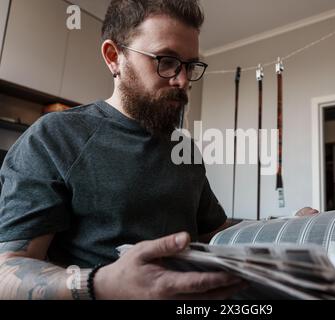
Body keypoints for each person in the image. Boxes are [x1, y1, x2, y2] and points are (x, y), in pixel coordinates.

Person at [0, 0, 318, 300]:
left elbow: (214, 230)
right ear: (114, 57)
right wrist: (98, 284)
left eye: (190, 65)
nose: (182, 80)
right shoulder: (56, 137)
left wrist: (283, 225)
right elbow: (7, 272)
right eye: (166, 61)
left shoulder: (184, 149)